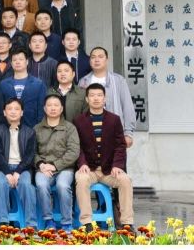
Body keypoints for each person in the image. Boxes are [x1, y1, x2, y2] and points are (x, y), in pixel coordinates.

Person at [73, 83, 134, 232]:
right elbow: (77, 146)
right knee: (81, 179)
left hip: (109, 170)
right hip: (90, 170)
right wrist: (82, 163)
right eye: (92, 95)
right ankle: (87, 222)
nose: (96, 98)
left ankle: (127, 223)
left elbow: (120, 145)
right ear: (87, 99)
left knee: (125, 180)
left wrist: (117, 165)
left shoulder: (114, 119)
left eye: (99, 95)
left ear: (105, 98)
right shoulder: (78, 121)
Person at [0, 97, 37, 229]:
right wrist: (7, 173)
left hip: (22, 168)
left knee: (26, 185)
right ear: (4, 112)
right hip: (1, 168)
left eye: (17, 109)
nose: (13, 111)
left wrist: (17, 172)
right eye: (9, 109)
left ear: (22, 112)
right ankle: (3, 222)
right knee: (0, 184)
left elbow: (29, 156)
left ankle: (31, 224)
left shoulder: (30, 132)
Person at [34, 94, 80, 231]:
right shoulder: (37, 129)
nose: (53, 108)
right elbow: (32, 152)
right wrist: (41, 165)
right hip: (43, 168)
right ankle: (49, 220)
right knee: (41, 184)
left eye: (56, 105)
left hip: (64, 168)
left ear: (61, 109)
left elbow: (73, 152)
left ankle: (67, 222)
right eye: (49, 105)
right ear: (44, 108)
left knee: (62, 185)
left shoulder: (70, 128)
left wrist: (55, 165)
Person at [78, 47, 136, 148]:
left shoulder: (118, 80)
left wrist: (128, 133)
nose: (96, 60)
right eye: (93, 57)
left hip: (114, 133)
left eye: (100, 57)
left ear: (107, 60)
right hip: (90, 134)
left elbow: (127, 106)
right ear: (90, 61)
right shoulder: (83, 81)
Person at [0, 49, 46, 128]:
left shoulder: (38, 84)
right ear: (11, 63)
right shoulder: (3, 84)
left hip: (32, 127)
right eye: (14, 60)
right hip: (9, 128)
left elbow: (41, 109)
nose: (17, 62)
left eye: (21, 59)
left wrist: (38, 128)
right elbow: (0, 109)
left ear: (27, 62)